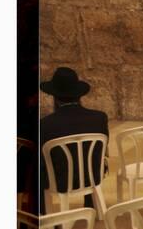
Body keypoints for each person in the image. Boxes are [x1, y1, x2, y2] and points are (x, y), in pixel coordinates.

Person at [40, 67, 109, 214]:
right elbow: (103, 150)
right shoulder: (99, 118)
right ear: (79, 95)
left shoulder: (45, 124)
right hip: (92, 176)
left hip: (60, 181)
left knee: (38, 166)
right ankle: (91, 204)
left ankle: (44, 214)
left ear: (55, 97)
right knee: (88, 155)